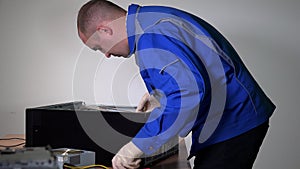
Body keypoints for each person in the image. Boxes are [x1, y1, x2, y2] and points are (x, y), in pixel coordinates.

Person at [77, 0, 276, 169]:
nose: (107, 54)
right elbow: (194, 70)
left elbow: (186, 95)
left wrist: (137, 147)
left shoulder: (152, 35)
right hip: (233, 118)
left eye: (98, 47)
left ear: (104, 29)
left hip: (234, 122)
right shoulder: (150, 20)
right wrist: (162, 95)